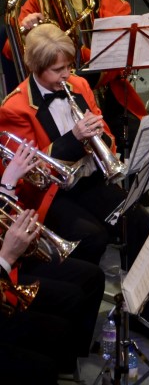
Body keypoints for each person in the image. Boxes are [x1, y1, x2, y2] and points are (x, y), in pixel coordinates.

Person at [0, 23, 149, 340]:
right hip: (51, 194)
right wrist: (74, 138)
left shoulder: (79, 85)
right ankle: (73, 326)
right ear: (36, 68)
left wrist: (102, 137)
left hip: (89, 180)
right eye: (57, 70)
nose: (66, 75)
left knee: (140, 222)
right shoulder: (15, 107)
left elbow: (105, 133)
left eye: (68, 66)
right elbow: (32, 173)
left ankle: (143, 311)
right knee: (92, 237)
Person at [2, 0, 148, 160]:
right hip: (48, 92)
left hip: (105, 91)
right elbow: (10, 51)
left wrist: (75, 56)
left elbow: (117, 64)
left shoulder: (115, 5)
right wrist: (25, 32)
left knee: (140, 139)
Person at [0, 139, 105, 383]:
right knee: (66, 310)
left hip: (10, 260)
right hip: (7, 270)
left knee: (91, 278)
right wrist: (7, 185)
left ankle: (68, 363)